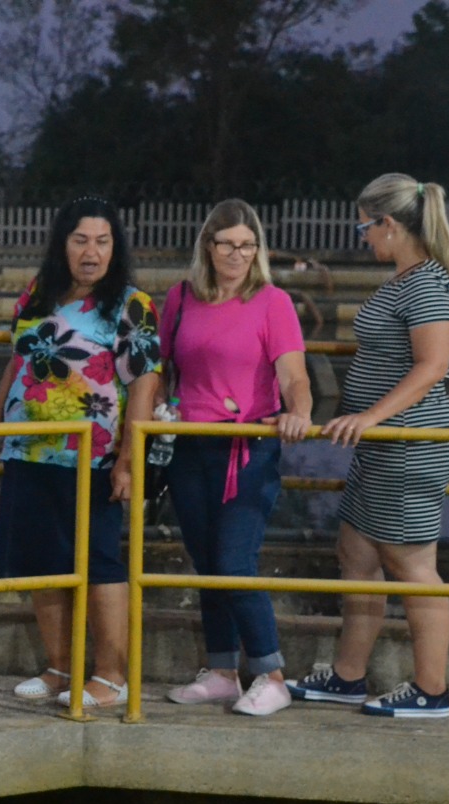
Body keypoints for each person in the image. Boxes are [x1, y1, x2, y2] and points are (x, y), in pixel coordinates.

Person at [0, 195, 162, 709]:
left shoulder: (130, 304)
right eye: (81, 240)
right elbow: (19, 363)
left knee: (99, 562)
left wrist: (127, 458)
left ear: (115, 247)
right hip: (29, 450)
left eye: (102, 241)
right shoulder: (37, 295)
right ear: (62, 244)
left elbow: (144, 382)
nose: (91, 252)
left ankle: (111, 675)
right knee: (41, 560)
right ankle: (59, 667)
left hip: (92, 456)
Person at [288, 173, 449, 718]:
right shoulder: (405, 278)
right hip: (383, 444)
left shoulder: (428, 282)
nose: (363, 237)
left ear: (388, 223)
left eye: (366, 226)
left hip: (408, 442)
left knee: (413, 567)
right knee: (356, 553)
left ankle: (431, 691)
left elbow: (432, 366)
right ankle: (347, 676)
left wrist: (369, 417)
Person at [160, 199, 312, 716]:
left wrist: (299, 412)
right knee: (206, 564)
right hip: (188, 446)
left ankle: (271, 675)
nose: (238, 254)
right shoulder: (180, 298)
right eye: (228, 243)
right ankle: (223, 670)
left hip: (247, 448)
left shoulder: (273, 301)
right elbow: (160, 369)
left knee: (232, 561)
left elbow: (294, 376)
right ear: (209, 245)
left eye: (248, 245)